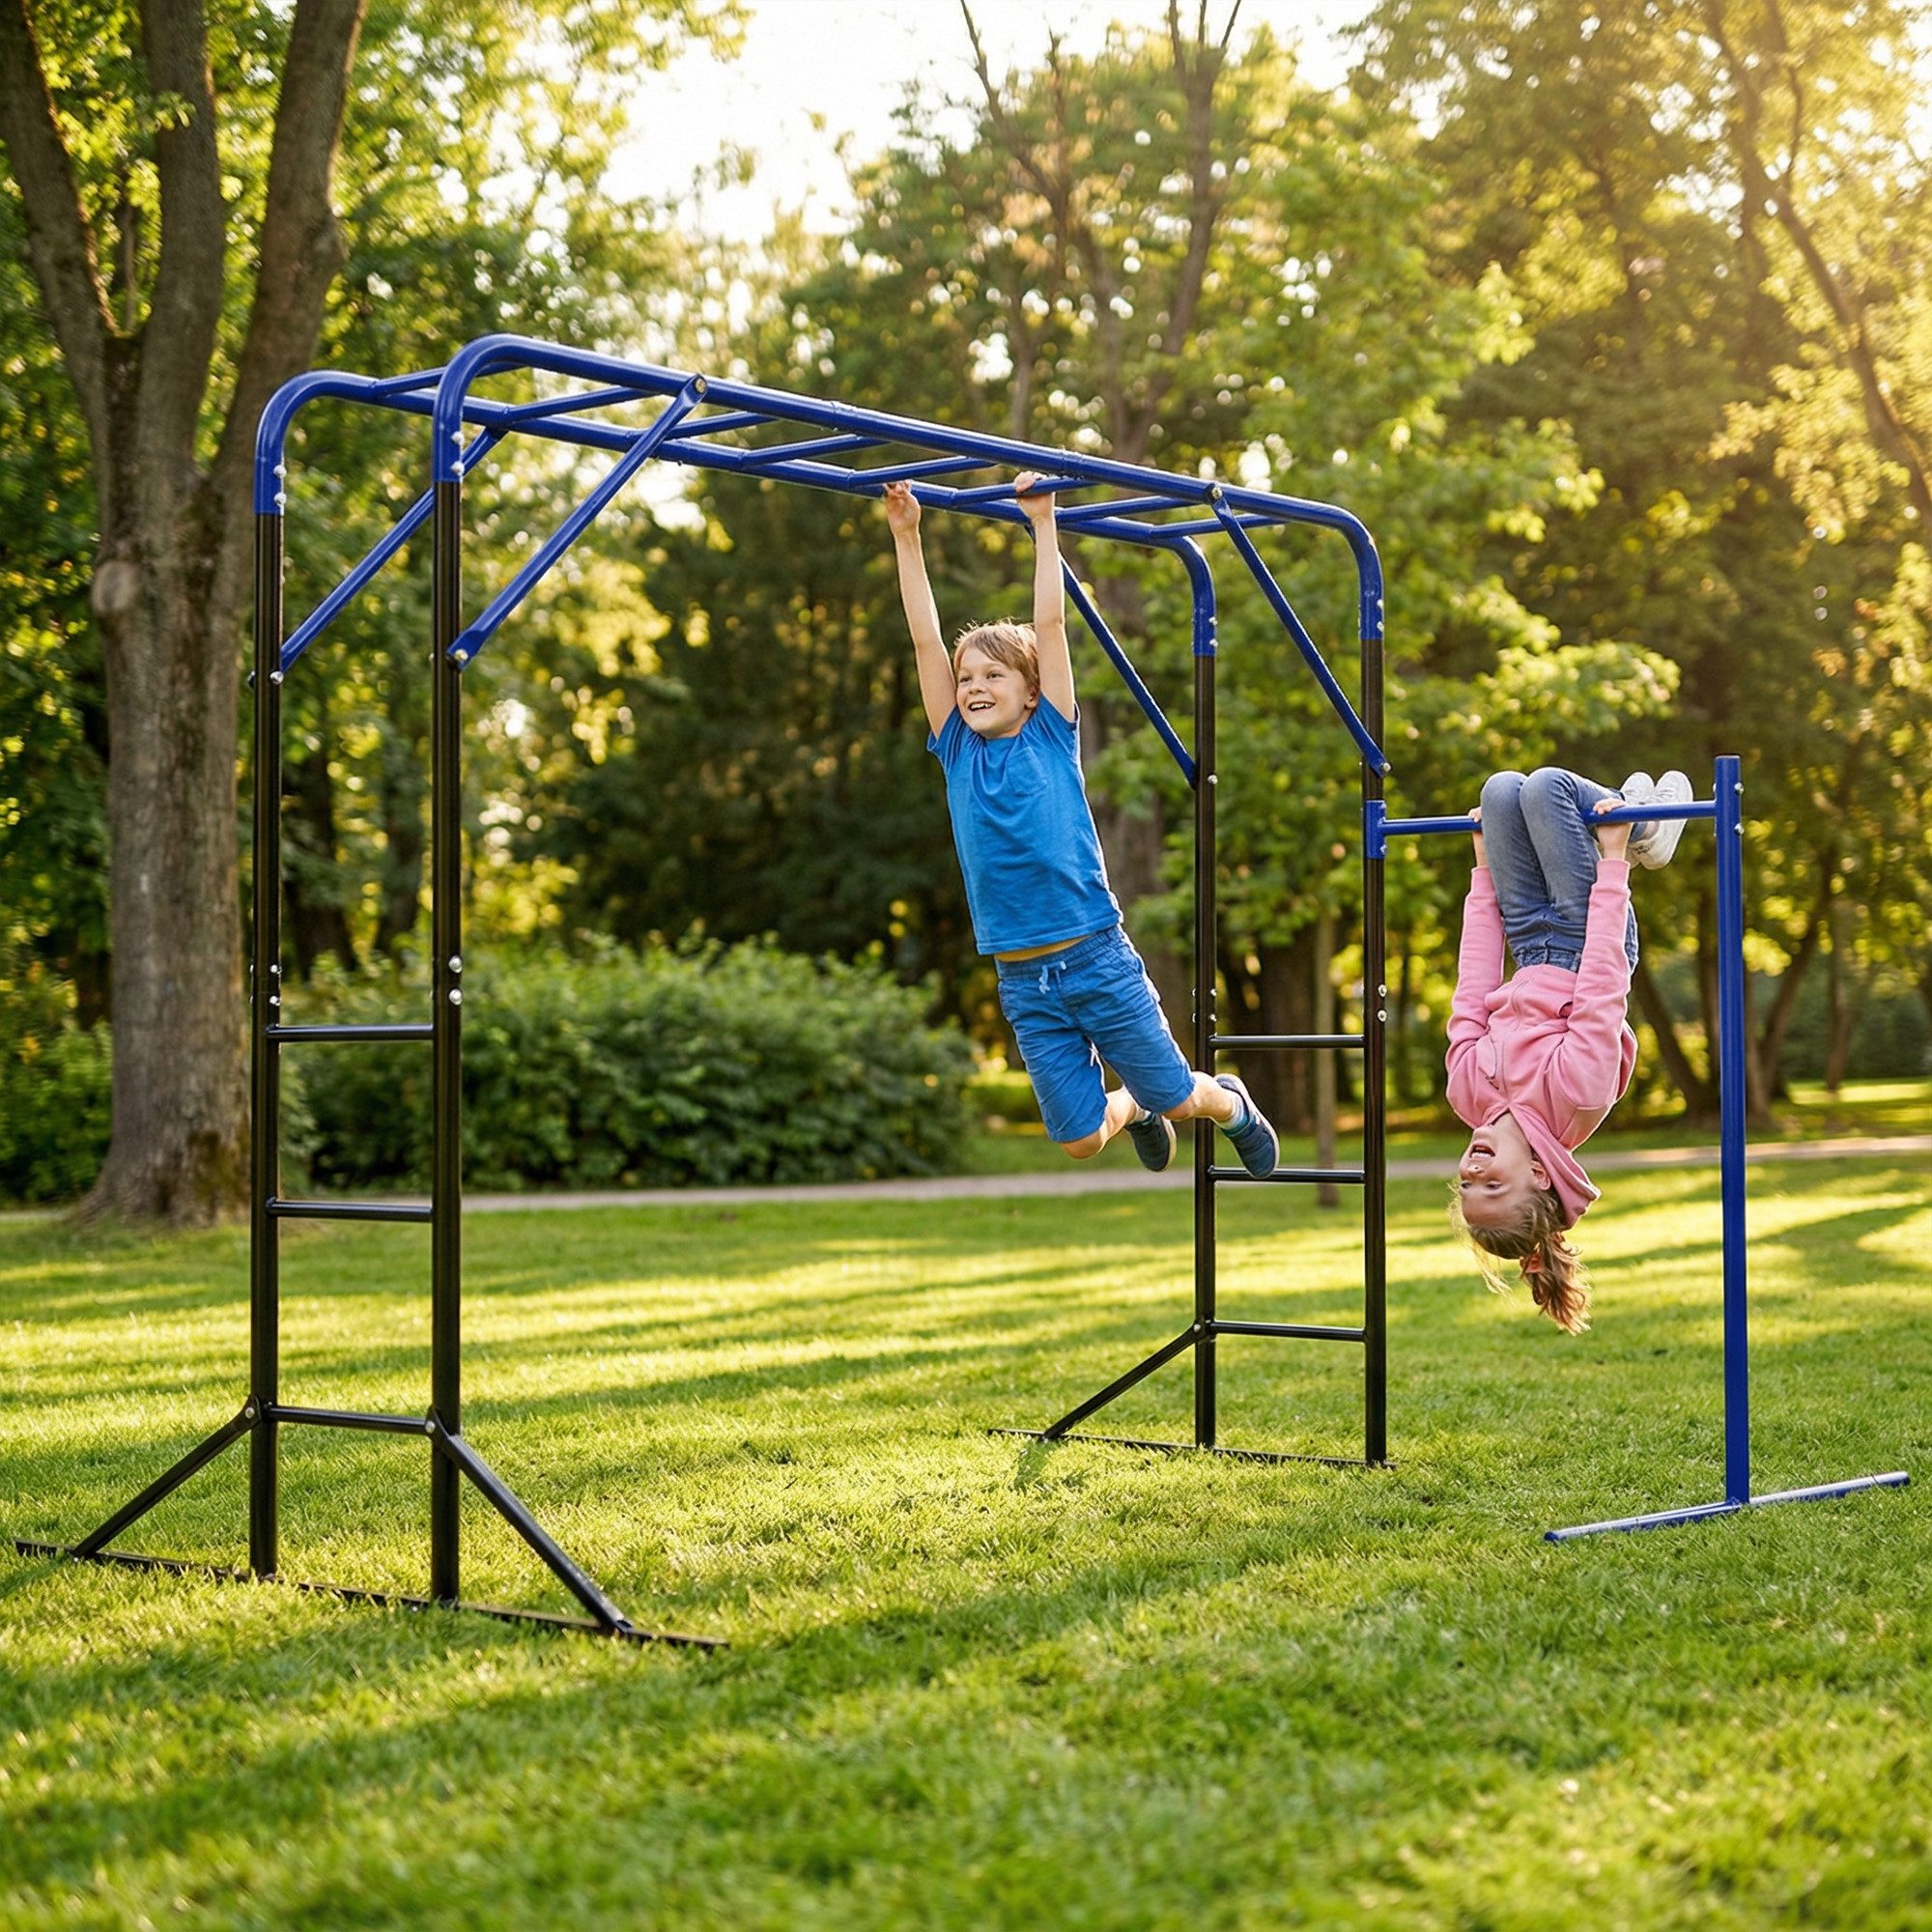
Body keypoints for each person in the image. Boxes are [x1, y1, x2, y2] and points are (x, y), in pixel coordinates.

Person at [883, 471, 1279, 1178]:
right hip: (1021, 975)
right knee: (1079, 1140)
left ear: (1032, 694)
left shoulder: (1049, 735)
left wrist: (1042, 524)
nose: (973, 686)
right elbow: (923, 643)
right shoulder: (956, 751)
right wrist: (906, 536)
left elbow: (1050, 625)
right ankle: (1130, 1108)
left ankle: (1232, 1106)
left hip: (1095, 955)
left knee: (1180, 1093)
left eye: (992, 677)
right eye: (967, 677)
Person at [1447, 764, 1693, 1332]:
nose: (1473, 1167)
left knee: (1500, 789)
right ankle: (1645, 836)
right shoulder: (1574, 1099)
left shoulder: (1467, 1095)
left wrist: (1482, 875)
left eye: (1467, 1183)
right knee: (1547, 787)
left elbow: (1472, 987)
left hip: (1529, 939)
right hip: (1590, 940)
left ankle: (1639, 829)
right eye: (1493, 1183)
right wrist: (1612, 865)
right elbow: (1604, 987)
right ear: (1537, 1174)